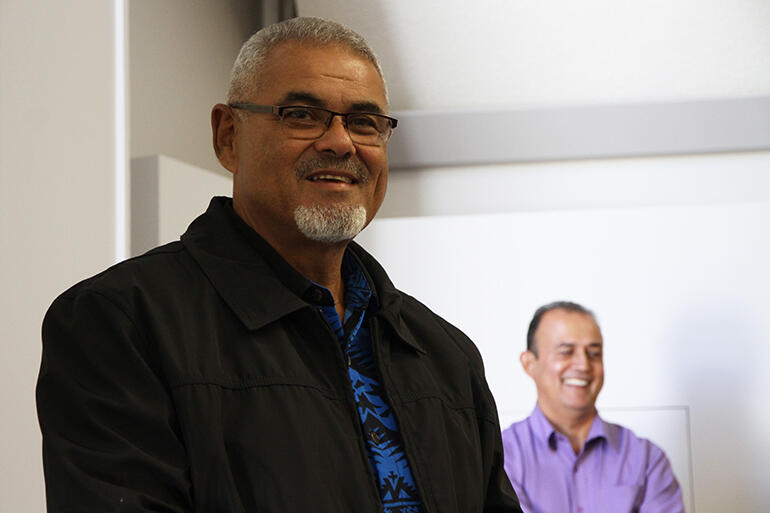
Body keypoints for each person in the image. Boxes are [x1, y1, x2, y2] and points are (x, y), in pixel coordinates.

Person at [36, 17, 521, 513]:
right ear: (228, 136)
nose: (340, 142)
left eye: (364, 122)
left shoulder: (446, 356)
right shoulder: (122, 323)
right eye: (303, 115)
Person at [501, 301, 684, 513]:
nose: (583, 365)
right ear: (529, 363)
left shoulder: (646, 460)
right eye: (566, 352)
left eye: (594, 353)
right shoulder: (502, 458)